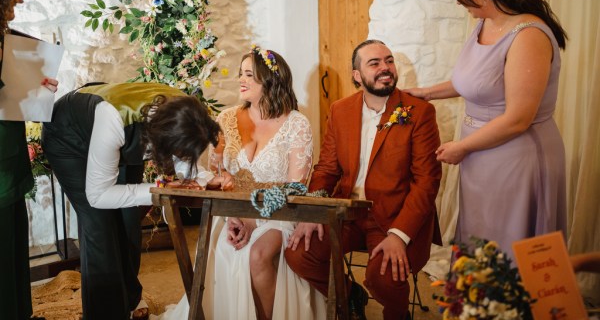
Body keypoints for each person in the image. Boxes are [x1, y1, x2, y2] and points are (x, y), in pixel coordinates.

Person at [405, 0, 568, 253]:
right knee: (483, 240)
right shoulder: (484, 22)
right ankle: (480, 300)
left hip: (517, 158)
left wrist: (462, 147)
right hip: (482, 156)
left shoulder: (528, 35)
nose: (458, 2)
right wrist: (426, 93)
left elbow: (518, 118)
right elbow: (477, 82)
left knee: (510, 244)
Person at [159, 46, 325, 320]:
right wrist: (236, 213)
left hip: (280, 212)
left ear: (271, 81)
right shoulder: (225, 118)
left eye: (249, 74)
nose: (241, 80)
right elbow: (217, 176)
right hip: (232, 210)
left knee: (258, 254)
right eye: (241, 73)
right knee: (226, 248)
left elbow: (296, 187)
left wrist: (253, 220)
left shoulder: (297, 124)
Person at [42, 83, 228, 320]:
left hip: (121, 136)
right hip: (68, 138)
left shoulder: (189, 114)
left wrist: (204, 179)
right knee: (99, 224)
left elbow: (184, 157)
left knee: (129, 220)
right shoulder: (113, 120)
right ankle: (106, 313)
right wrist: (159, 188)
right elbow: (98, 195)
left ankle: (130, 299)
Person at [285, 40, 442, 320]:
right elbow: (327, 169)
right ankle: (349, 294)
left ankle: (397, 314)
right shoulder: (340, 110)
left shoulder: (419, 113)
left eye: (389, 61)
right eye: (375, 63)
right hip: (347, 212)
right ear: (357, 75)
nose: (385, 68)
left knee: (383, 275)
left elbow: (426, 182)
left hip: (395, 216)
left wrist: (399, 234)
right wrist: (311, 210)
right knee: (299, 254)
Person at [0, 0, 58, 320]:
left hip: (10, 153)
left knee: (13, 247)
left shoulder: (7, 38)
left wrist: (37, 87)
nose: (19, 0)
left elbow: (12, 99)